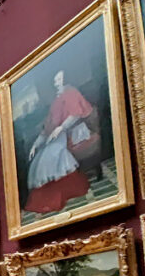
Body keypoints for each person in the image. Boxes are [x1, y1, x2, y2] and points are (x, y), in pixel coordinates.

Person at [25, 70, 94, 214]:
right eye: (55, 80)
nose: (56, 83)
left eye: (59, 79)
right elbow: (48, 127)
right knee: (39, 158)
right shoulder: (56, 101)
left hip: (73, 130)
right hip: (58, 134)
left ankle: (61, 192)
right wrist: (35, 144)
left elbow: (75, 115)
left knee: (52, 154)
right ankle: (46, 197)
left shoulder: (71, 92)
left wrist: (61, 128)